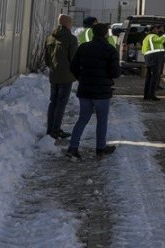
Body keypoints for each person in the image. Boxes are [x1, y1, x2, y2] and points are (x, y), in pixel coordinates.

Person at [67, 23, 121, 159]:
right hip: (102, 92)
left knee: (82, 118)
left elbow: (73, 67)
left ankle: (73, 147)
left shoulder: (83, 47)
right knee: (101, 120)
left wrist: (81, 78)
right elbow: (115, 73)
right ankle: (100, 148)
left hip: (85, 90)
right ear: (106, 34)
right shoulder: (110, 50)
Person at [45, 14, 78, 139]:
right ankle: (56, 130)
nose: (71, 24)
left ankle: (50, 129)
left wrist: (53, 67)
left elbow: (46, 59)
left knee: (53, 102)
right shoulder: (71, 38)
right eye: (70, 22)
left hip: (54, 74)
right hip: (66, 76)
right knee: (61, 103)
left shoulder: (50, 38)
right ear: (66, 23)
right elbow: (74, 59)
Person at [142, 25, 165, 101]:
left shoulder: (146, 38)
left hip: (149, 59)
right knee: (154, 77)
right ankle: (151, 96)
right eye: (156, 29)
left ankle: (146, 95)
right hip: (154, 59)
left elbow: (144, 50)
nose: (157, 30)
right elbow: (160, 40)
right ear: (153, 30)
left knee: (149, 78)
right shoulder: (152, 36)